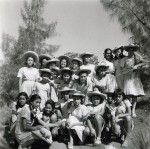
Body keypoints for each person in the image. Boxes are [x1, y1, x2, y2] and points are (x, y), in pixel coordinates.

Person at [121, 45, 145, 117]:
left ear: (134, 50)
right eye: (129, 49)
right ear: (127, 50)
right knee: (128, 94)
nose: (130, 51)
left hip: (135, 78)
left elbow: (144, 62)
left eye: (132, 49)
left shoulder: (137, 57)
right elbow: (122, 69)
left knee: (135, 95)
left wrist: (137, 66)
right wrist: (128, 69)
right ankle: (129, 109)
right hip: (127, 78)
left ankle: (133, 110)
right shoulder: (124, 59)